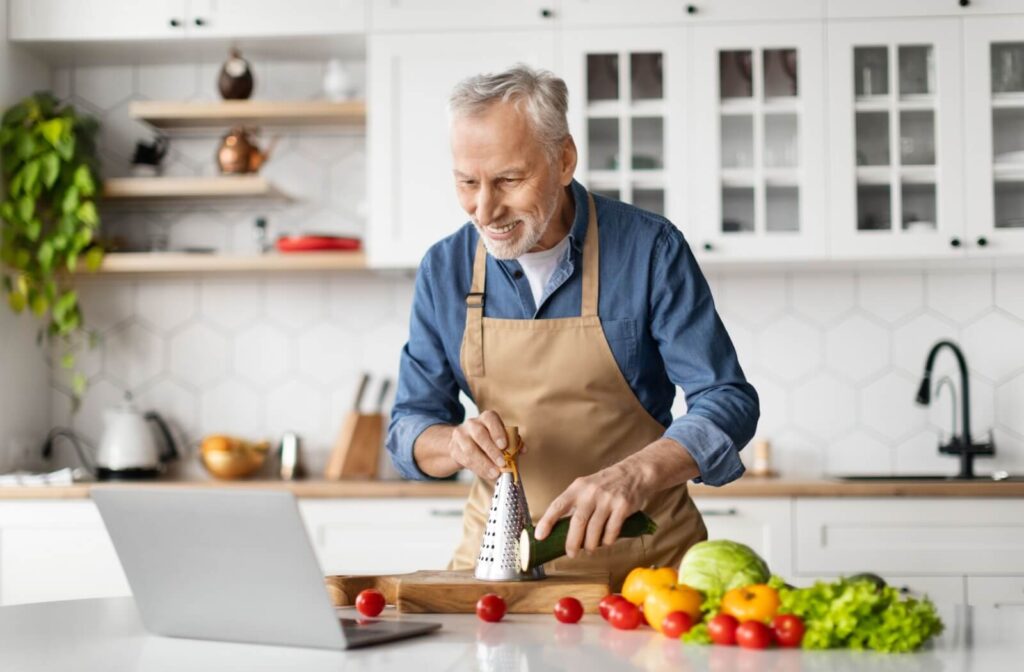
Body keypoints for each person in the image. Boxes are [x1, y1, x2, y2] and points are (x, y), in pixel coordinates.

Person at [386, 64, 759, 588]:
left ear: (563, 159)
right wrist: (453, 445)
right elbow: (409, 423)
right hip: (497, 574)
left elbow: (727, 399)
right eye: (467, 182)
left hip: (646, 572)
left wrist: (637, 474)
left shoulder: (650, 250)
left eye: (508, 180)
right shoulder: (444, 268)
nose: (485, 208)